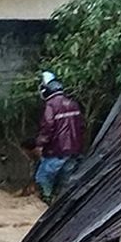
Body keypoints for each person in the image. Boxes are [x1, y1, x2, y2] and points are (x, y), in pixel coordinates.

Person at [32, 71, 84, 203]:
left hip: (56, 151)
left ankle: (47, 207)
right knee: (65, 184)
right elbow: (81, 127)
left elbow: (47, 128)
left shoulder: (50, 106)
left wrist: (40, 144)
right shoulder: (73, 103)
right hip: (73, 151)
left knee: (42, 180)